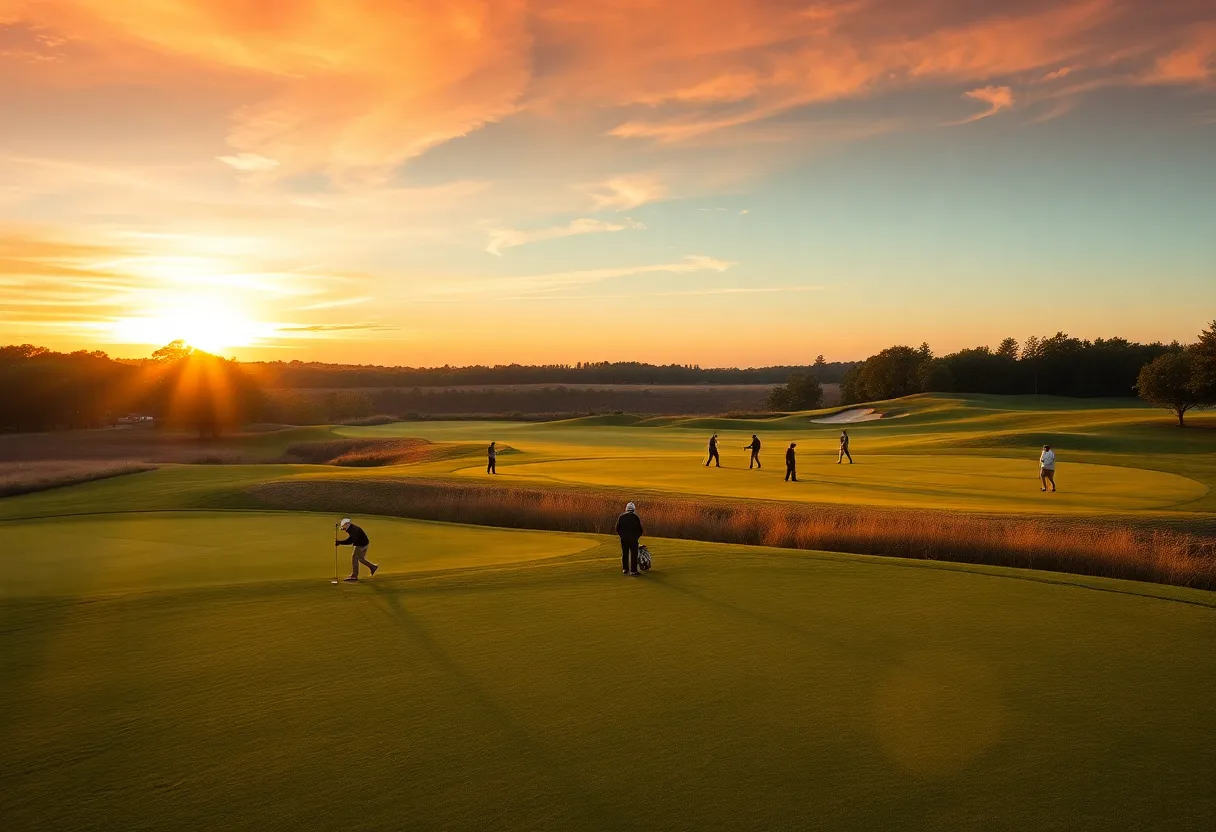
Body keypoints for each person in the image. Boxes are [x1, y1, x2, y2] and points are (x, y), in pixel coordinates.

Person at [336, 518, 378, 582]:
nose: (343, 529)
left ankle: (354, 575)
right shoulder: (351, 527)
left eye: (344, 526)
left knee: (354, 557)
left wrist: (340, 542)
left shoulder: (354, 531)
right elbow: (349, 534)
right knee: (361, 558)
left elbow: (351, 541)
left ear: (347, 524)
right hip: (364, 543)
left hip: (361, 545)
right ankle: (373, 567)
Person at [615, 502, 644, 576]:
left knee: (625, 553)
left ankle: (625, 569)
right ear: (633, 509)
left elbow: (617, 528)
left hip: (624, 539)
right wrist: (636, 537)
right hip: (633, 540)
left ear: (626, 508)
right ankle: (633, 571)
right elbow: (640, 530)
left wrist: (622, 535)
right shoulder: (635, 517)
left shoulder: (621, 517)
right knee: (634, 554)